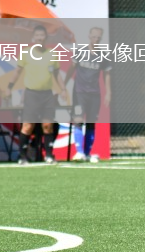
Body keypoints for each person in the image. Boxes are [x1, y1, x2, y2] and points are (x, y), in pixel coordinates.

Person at [7, 25, 70, 165]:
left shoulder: (52, 54)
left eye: (42, 35)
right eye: (37, 36)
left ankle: (49, 156)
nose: (40, 38)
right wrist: (9, 87)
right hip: (32, 94)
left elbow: (57, 74)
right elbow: (17, 72)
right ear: (33, 38)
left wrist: (63, 89)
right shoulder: (26, 53)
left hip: (47, 95)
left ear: (46, 37)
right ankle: (22, 156)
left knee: (48, 125)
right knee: (28, 126)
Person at [68, 27, 112, 163]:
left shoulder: (103, 55)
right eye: (94, 36)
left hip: (94, 94)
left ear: (101, 38)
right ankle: (79, 152)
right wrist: (63, 85)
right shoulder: (80, 51)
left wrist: (108, 92)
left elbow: (107, 74)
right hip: (79, 92)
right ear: (89, 36)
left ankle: (87, 153)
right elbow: (71, 68)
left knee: (91, 123)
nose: (96, 39)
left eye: (98, 37)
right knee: (78, 120)